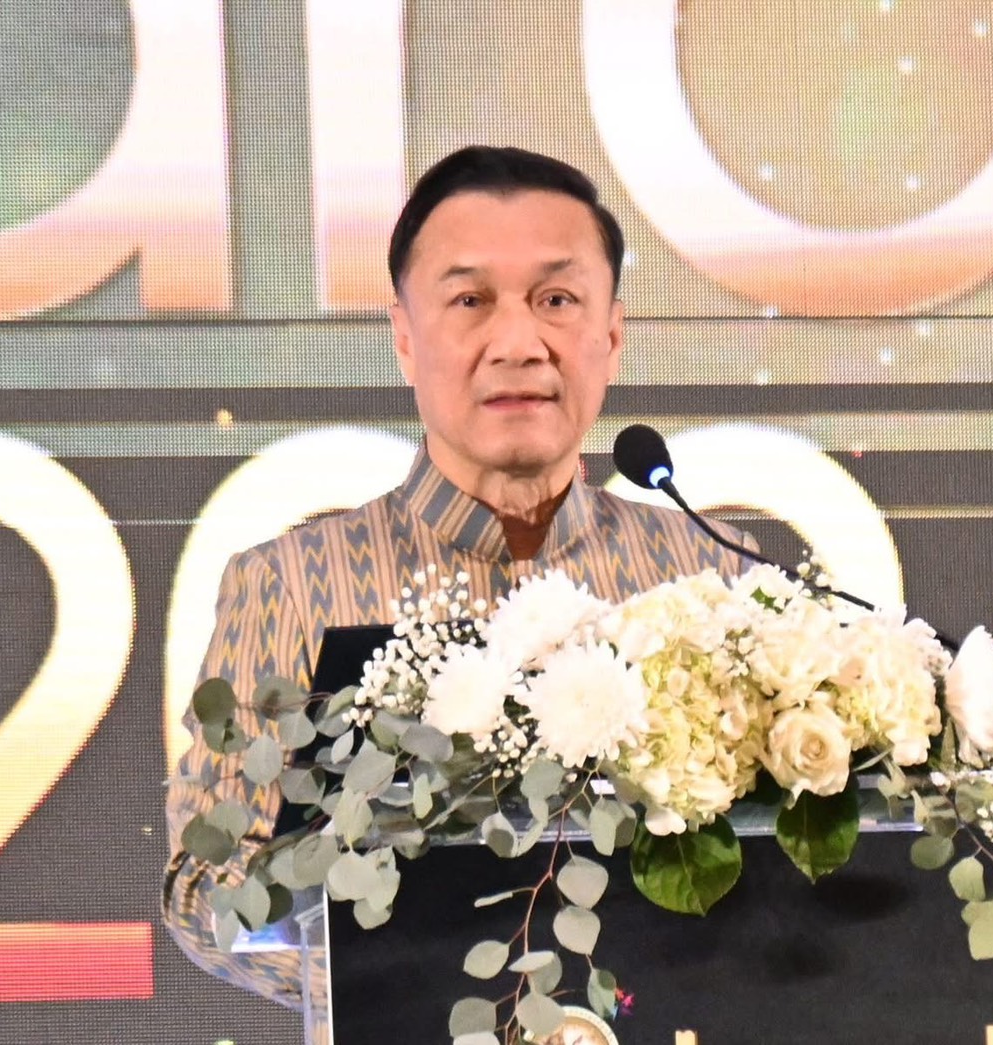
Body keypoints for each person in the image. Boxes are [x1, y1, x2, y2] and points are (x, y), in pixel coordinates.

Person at [162, 145, 757, 1016]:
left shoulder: (716, 572)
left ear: (611, 334)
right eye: (470, 301)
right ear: (405, 337)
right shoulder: (287, 584)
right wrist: (413, 991)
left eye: (556, 300)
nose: (517, 344)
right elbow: (207, 890)